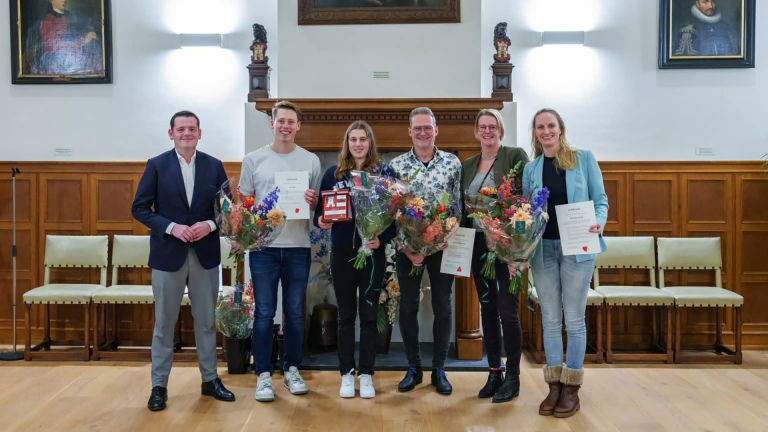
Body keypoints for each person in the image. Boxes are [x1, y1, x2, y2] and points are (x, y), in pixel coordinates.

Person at [132, 110, 234, 412]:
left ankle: (210, 379)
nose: (186, 134)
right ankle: (159, 386)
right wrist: (171, 227)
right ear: (171, 134)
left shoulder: (214, 166)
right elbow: (140, 208)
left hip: (205, 254)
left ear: (200, 133)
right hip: (168, 254)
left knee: (205, 322)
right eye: (181, 129)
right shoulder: (156, 165)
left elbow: (227, 211)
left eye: (192, 129)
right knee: (164, 323)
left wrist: (211, 225)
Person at [522, 108, 608, 419]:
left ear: (560, 129)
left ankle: (572, 388)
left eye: (551, 126)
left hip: (578, 249)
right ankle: (554, 386)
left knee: (573, 319)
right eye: (540, 127)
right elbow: (528, 211)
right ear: (535, 132)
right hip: (542, 250)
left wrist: (599, 222)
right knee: (549, 319)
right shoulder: (531, 169)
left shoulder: (583, 158)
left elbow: (600, 200)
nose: (546, 131)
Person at [239, 100, 322, 402]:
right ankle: (263, 374)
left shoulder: (310, 160)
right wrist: (254, 216)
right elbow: (245, 203)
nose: (285, 126)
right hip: (263, 249)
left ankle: (292, 369)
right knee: (263, 313)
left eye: (291, 121)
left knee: (295, 315)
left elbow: (315, 206)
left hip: (299, 247)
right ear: (272, 123)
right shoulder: (253, 159)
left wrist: (312, 202)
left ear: (299, 126)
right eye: (280, 121)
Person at [313, 121, 396, 399]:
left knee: (370, 316)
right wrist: (322, 220)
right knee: (347, 316)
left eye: (363, 139)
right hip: (342, 254)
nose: (358, 144)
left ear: (370, 142)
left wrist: (381, 240)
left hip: (372, 254)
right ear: (347, 144)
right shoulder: (333, 174)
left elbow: (397, 217)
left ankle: (367, 373)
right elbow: (321, 215)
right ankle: (347, 373)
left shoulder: (384, 174)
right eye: (353, 139)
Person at [389, 107, 462, 395]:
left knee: (443, 306)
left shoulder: (452, 163)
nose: (422, 133)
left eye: (427, 128)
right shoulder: (397, 165)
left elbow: (457, 207)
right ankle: (414, 368)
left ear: (436, 130)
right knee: (409, 306)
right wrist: (406, 248)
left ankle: (439, 369)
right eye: (417, 128)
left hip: (443, 248)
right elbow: (390, 211)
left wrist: (447, 236)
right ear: (409, 131)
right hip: (409, 250)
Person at [461, 109, 529, 403]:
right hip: (478, 245)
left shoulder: (515, 156)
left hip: (506, 246)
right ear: (476, 132)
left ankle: (513, 376)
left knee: (507, 310)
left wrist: (519, 250)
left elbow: (525, 203)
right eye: (482, 127)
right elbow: (463, 209)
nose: (487, 131)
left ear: (500, 129)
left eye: (492, 126)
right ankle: (494, 372)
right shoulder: (468, 165)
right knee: (486, 308)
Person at [24, 0, 102, 75]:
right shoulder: (46, 20)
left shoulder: (71, 17)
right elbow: (53, 46)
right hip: (52, 64)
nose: (64, 0)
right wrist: (83, 41)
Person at [673, 0, 739, 56]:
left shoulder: (726, 28)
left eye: (712, 1)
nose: (711, 6)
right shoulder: (688, 31)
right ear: (697, 4)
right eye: (705, 2)